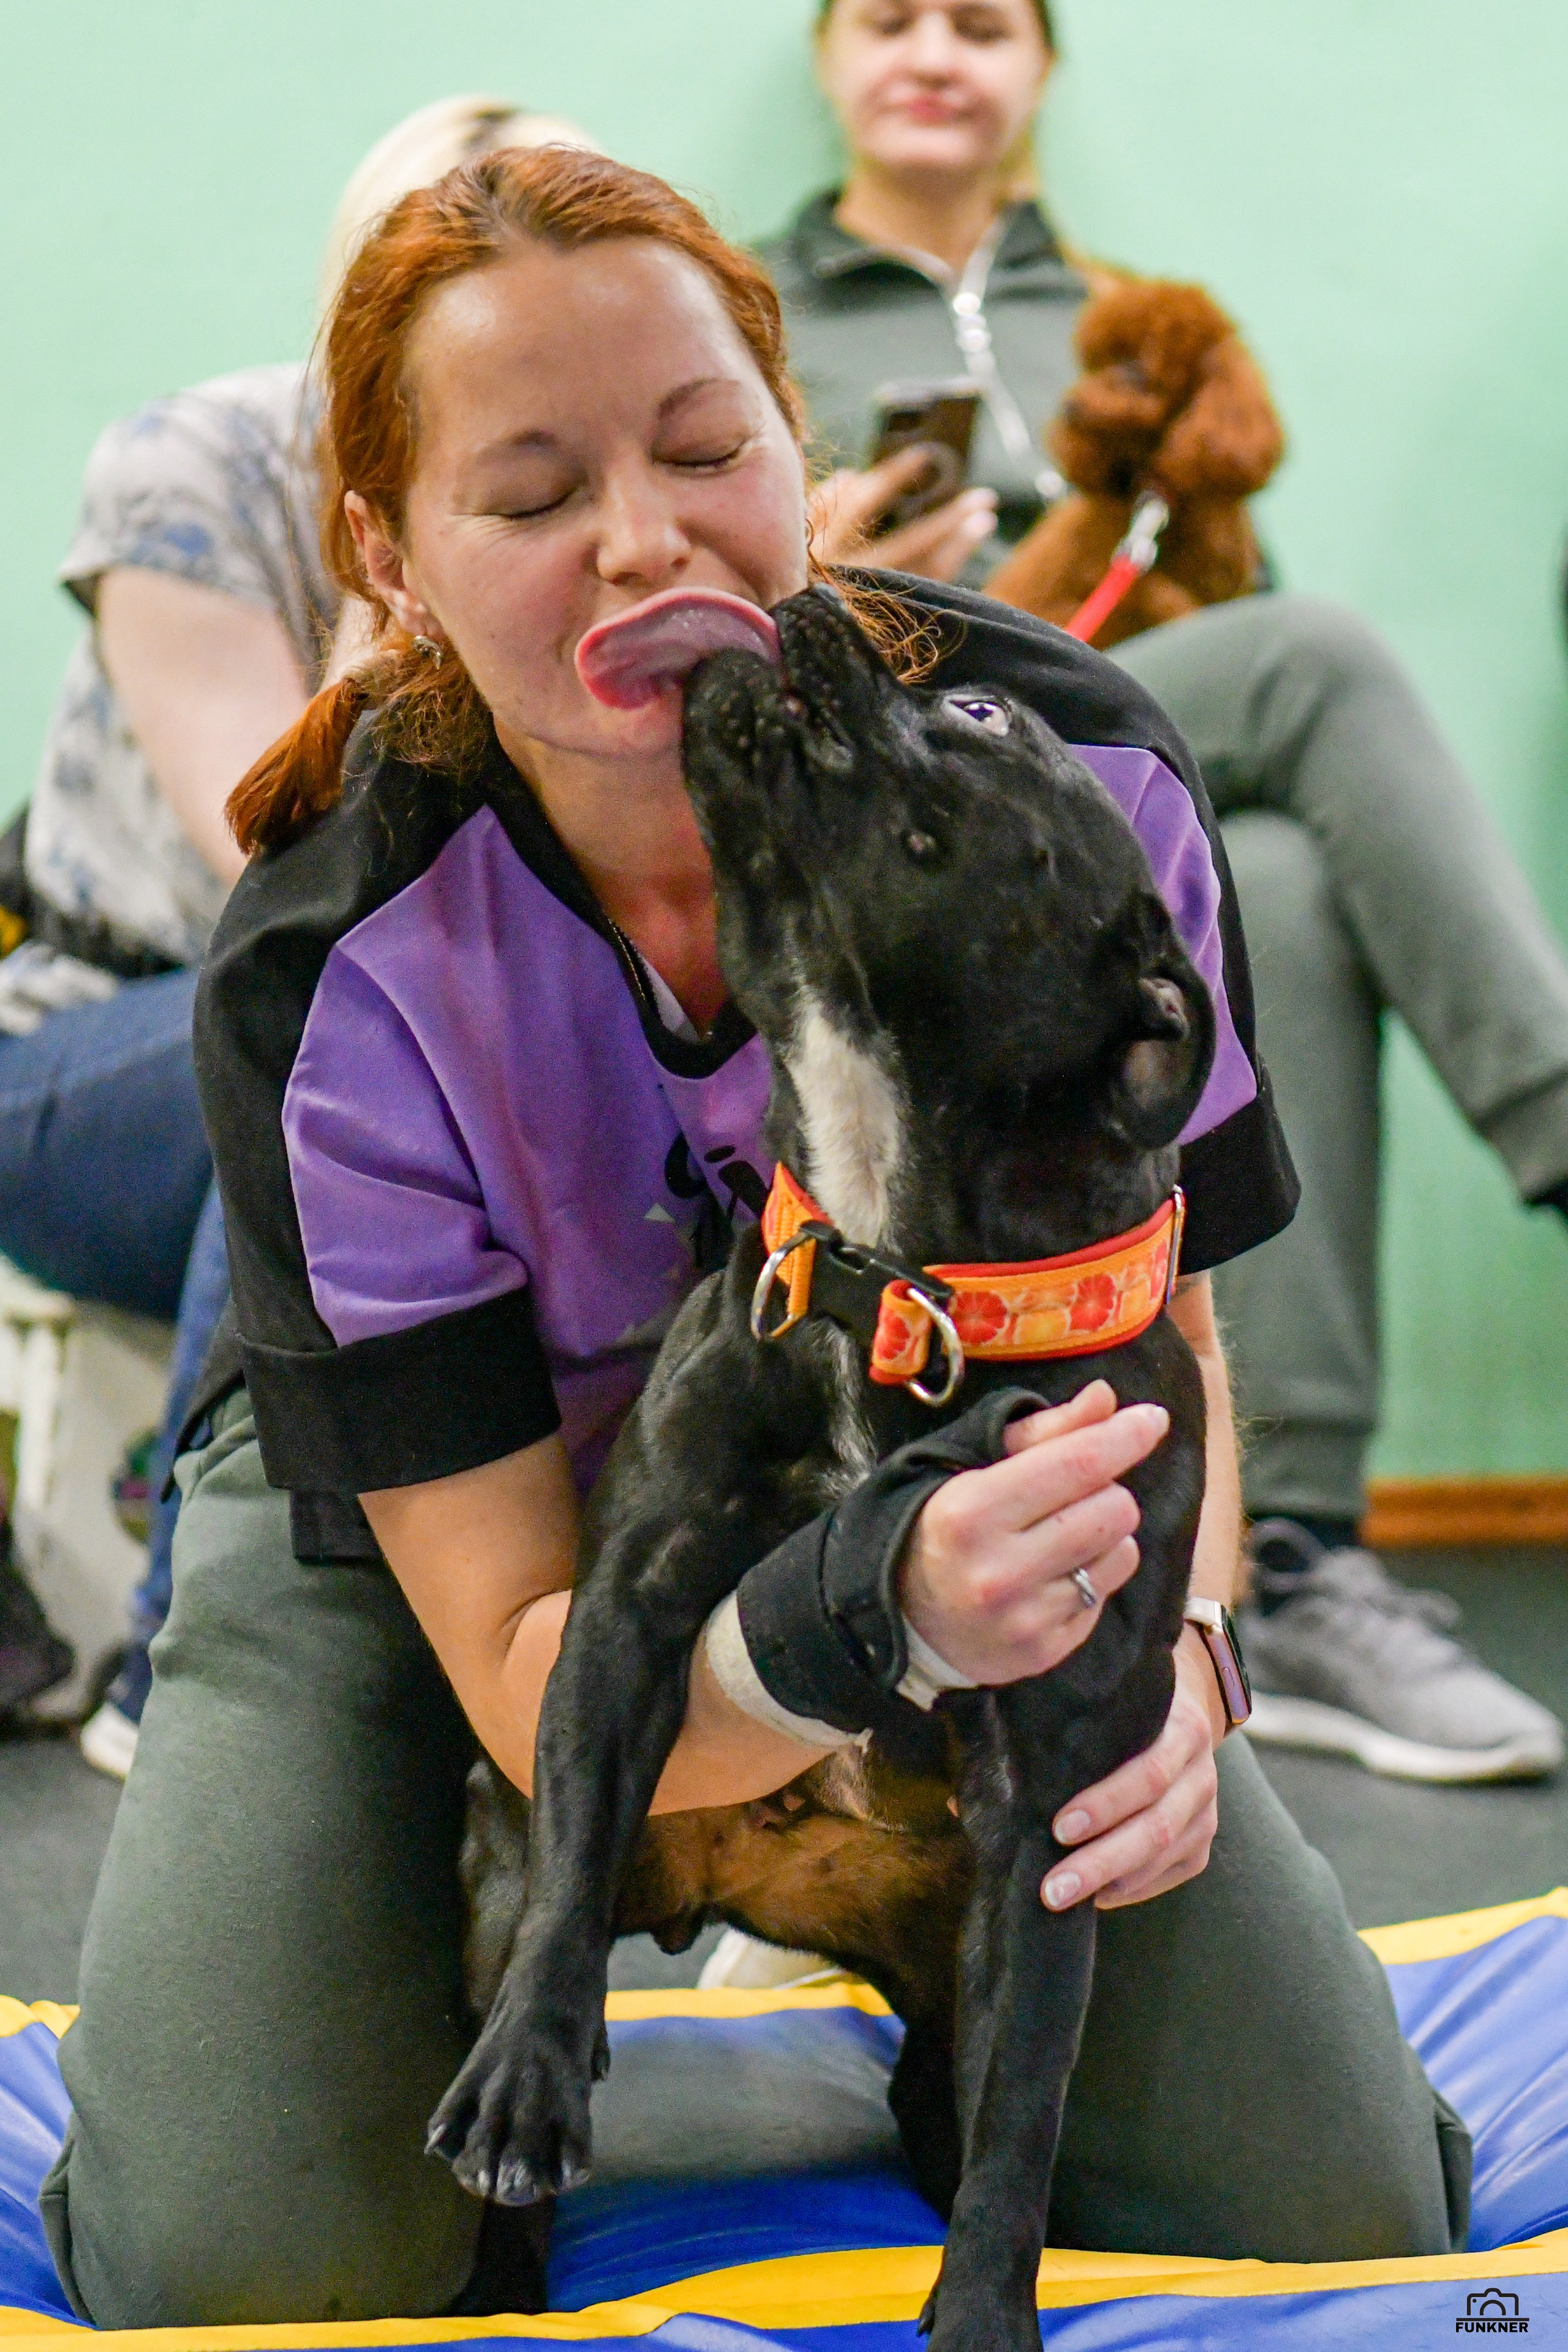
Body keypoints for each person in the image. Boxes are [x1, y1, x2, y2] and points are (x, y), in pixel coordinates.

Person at [40, 144, 1466, 2331]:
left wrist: (1179, 1636)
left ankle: (940, 1972)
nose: (650, 539)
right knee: (253, 2269)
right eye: (529, 498)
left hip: (950, 1457)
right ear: (386, 554)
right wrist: (840, 1630)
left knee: (1340, 2205)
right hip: (468, 1531)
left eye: (711, 449)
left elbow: (1155, 1313)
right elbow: (531, 1646)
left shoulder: (1077, 776)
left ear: (798, 440)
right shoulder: (336, 961)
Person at [760, 0, 1568, 1783]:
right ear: (826, 57)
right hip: (875, 791)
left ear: (1045, 68)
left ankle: (1300, 1561)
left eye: (984, 23)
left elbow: (1225, 606)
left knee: (1272, 874)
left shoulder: (1125, 314)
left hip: (1106, 824)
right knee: (1327, 665)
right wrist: (841, 572)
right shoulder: (748, 316)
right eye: (889, 18)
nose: (937, 53)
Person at [8, 97, 594, 1776]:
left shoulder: (578, 496)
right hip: (77, 1046)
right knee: (308, 1029)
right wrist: (396, 543)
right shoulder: (186, 468)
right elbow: (273, 875)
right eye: (425, 266)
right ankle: (189, 1665)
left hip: (360, 1035)